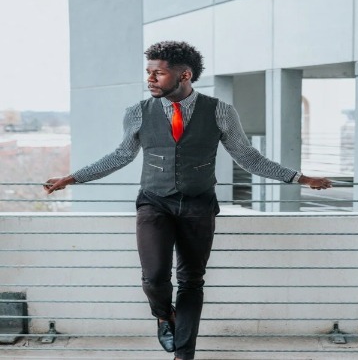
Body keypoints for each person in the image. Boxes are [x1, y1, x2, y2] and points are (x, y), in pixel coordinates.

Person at [44, 40, 332, 360]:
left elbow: (248, 157)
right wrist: (71, 178)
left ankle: (184, 353)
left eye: (159, 73)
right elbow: (120, 156)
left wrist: (300, 178)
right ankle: (164, 315)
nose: (150, 79)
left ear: (184, 75)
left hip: (198, 203)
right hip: (155, 202)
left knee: (191, 281)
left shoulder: (220, 111)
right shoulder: (138, 113)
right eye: (149, 72)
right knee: (153, 278)